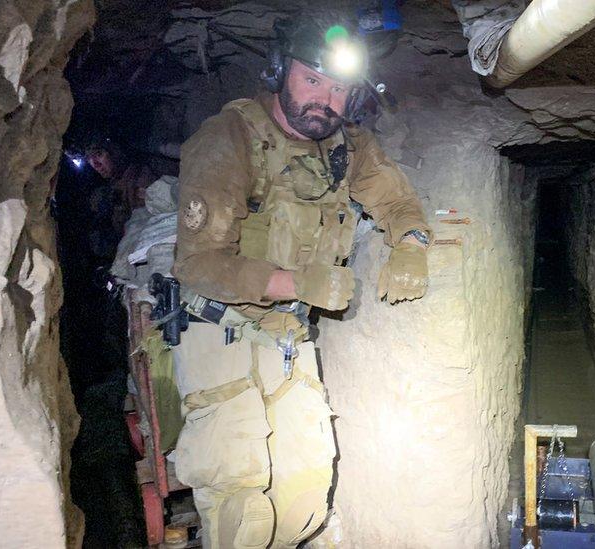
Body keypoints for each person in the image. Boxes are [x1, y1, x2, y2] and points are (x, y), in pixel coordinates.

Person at [170, 16, 431, 549]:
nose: (326, 100)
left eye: (338, 88)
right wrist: (295, 282)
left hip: (288, 335)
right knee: (242, 510)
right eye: (312, 80)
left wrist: (411, 245)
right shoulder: (230, 138)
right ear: (278, 73)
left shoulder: (347, 145)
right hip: (220, 328)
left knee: (304, 501)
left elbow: (399, 202)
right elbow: (198, 263)